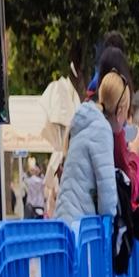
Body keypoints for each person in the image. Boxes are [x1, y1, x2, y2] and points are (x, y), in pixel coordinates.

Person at [56, 73, 122, 220]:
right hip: (82, 225)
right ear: (120, 108)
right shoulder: (101, 128)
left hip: (64, 218)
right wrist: (110, 219)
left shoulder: (81, 124)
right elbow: (107, 193)